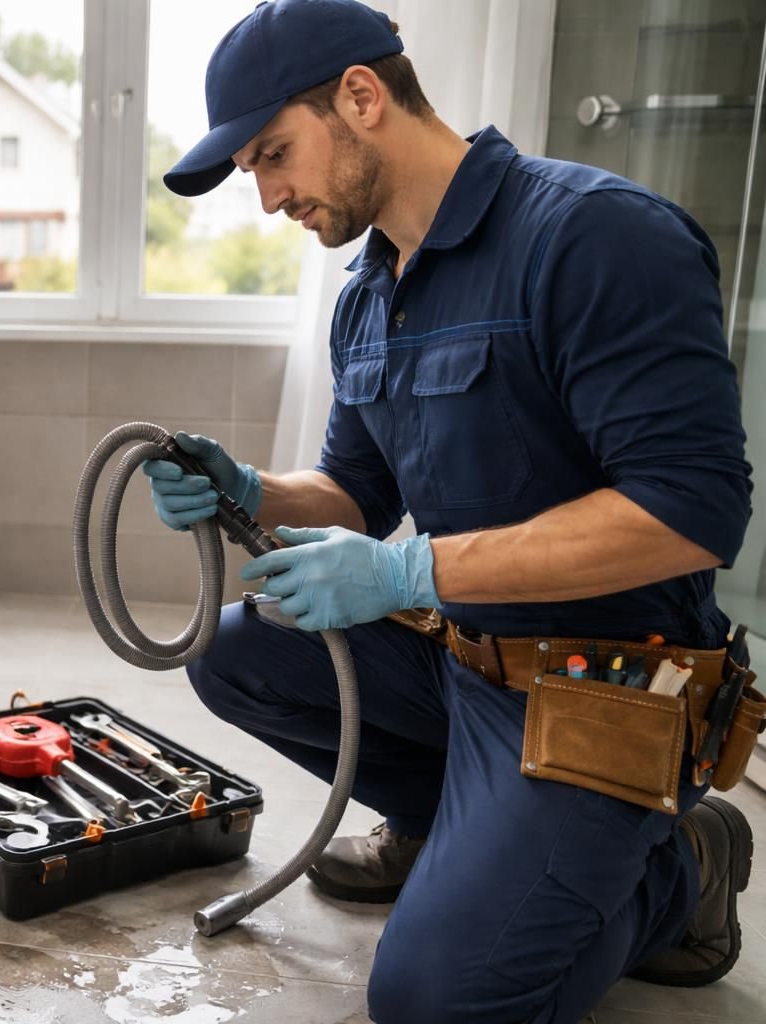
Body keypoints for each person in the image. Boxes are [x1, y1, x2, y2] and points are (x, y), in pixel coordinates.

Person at [146, 2, 756, 1021]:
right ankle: (456, 832)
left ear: (361, 96)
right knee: (234, 650)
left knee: (433, 1001)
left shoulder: (594, 238)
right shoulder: (369, 293)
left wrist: (409, 574)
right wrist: (246, 489)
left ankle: (682, 869)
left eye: (272, 155)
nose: (266, 196)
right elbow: (355, 492)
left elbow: (691, 512)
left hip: (606, 688)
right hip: (465, 663)